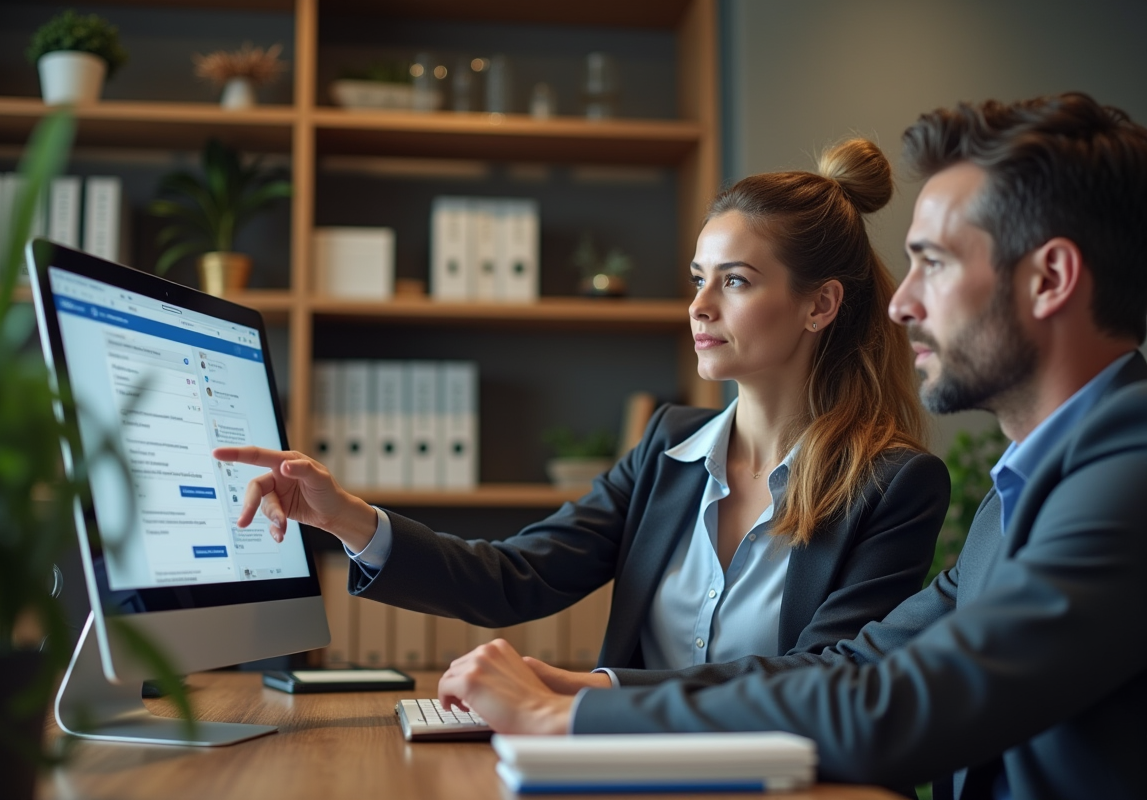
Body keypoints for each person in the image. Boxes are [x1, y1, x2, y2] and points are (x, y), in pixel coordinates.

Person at [432, 93, 1147, 800]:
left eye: (934, 262)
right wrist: (594, 690)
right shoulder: (1022, 492)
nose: (902, 304)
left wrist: (572, 718)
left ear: (1049, 279)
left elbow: (895, 710)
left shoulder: (1128, 478)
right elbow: (852, 668)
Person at [215, 139, 948, 688]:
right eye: (699, 279)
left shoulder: (894, 485)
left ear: (819, 304)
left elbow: (823, 681)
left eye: (736, 281)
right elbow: (513, 577)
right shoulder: (668, 448)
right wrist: (345, 516)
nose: (699, 306)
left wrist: (599, 693)